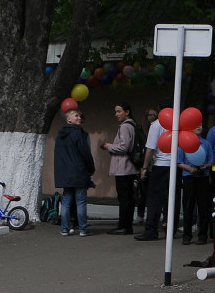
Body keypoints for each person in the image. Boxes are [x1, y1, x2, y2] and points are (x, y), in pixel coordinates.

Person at [101, 102, 141, 234]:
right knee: (128, 197)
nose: (116, 114)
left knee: (124, 198)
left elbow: (124, 147)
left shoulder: (125, 127)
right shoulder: (133, 125)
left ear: (127, 112)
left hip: (123, 167)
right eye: (116, 111)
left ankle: (123, 226)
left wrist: (109, 146)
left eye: (119, 111)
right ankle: (126, 225)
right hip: (130, 167)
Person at [54, 108, 95, 236]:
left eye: (79, 116)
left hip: (65, 173)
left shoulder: (60, 135)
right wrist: (91, 168)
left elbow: (58, 156)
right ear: (69, 119)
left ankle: (65, 228)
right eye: (76, 116)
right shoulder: (77, 133)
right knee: (81, 201)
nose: (79, 118)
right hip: (78, 172)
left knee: (66, 200)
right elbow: (85, 153)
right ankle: (82, 228)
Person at [135, 113, 174, 242]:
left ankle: (151, 229)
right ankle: (170, 228)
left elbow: (150, 148)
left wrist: (145, 167)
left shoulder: (157, 125)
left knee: (154, 199)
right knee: (171, 198)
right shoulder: (178, 123)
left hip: (160, 165)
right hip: (175, 164)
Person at [179, 126, 213, 245]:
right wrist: (189, 168)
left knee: (203, 207)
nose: (199, 126)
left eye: (200, 124)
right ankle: (186, 236)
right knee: (188, 206)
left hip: (203, 177)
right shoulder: (184, 143)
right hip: (189, 177)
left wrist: (205, 167)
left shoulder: (206, 144)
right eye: (195, 125)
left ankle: (203, 235)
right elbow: (179, 162)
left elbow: (211, 161)